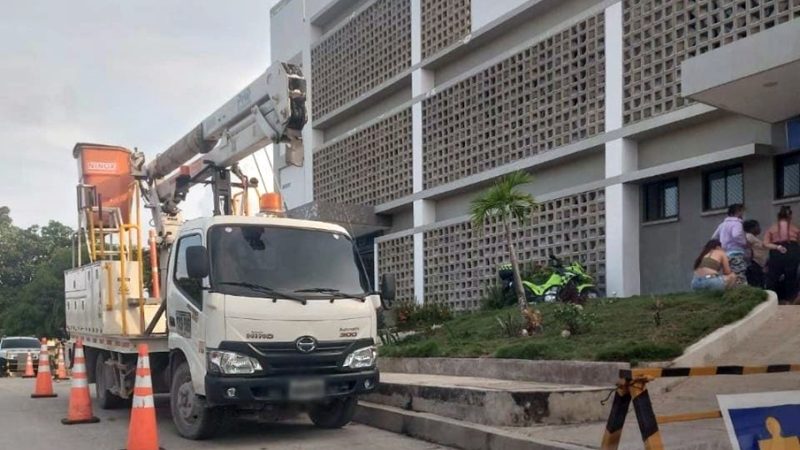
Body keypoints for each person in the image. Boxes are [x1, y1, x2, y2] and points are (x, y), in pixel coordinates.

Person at [764, 206, 800, 302]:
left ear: (778, 216)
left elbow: (765, 243)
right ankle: (791, 299)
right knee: (791, 277)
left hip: (777, 252)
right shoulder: (795, 228)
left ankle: (771, 299)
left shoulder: (772, 229)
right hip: (793, 251)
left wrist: (777, 247)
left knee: (773, 276)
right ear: (790, 216)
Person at [711, 204, 748, 285]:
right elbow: (736, 235)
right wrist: (744, 243)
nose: (743, 214)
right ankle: (741, 295)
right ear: (738, 212)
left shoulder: (722, 225)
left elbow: (714, 237)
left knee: (729, 278)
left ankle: (730, 294)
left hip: (725, 255)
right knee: (739, 277)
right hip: (736, 253)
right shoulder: (737, 223)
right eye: (742, 212)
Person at [743, 219, 785, 288]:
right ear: (751, 228)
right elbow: (762, 245)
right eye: (757, 226)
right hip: (754, 264)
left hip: (758, 264)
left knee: (760, 282)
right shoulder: (749, 236)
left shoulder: (753, 237)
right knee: (757, 284)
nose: (759, 228)